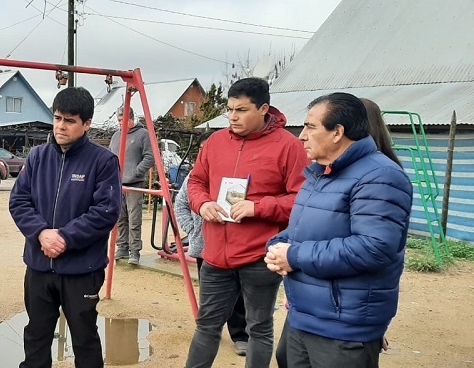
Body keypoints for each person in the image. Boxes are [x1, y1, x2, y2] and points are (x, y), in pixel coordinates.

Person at [264, 92, 412, 368]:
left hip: (343, 327)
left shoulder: (380, 177)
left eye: (310, 127)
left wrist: (293, 256)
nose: (301, 136)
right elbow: (299, 231)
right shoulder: (319, 174)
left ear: (337, 133)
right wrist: (276, 247)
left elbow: (373, 248)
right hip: (304, 316)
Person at [185, 77, 311, 368]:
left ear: (264, 108)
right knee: (206, 325)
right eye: (229, 109)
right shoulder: (215, 142)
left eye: (241, 110)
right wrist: (202, 203)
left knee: (259, 328)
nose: (232, 116)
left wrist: (259, 207)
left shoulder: (289, 147)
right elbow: (196, 182)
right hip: (216, 256)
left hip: (260, 255)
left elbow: (301, 201)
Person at [9, 87, 122, 368]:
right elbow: (19, 202)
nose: (61, 126)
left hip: (82, 269)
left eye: (70, 120)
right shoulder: (37, 157)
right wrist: (41, 234)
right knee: (36, 335)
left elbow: (106, 212)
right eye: (57, 118)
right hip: (38, 265)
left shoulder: (103, 161)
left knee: (84, 338)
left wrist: (65, 238)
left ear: (86, 124)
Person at [174, 130, 249, 356]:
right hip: (205, 246)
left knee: (239, 294)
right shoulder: (195, 177)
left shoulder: (236, 174)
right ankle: (209, 333)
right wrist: (194, 229)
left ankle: (240, 334)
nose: (207, 153)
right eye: (203, 149)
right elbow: (181, 205)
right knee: (210, 293)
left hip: (235, 244)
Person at [108, 106, 155, 265]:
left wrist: (136, 172)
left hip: (135, 184)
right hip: (117, 184)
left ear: (131, 118)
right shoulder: (116, 136)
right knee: (120, 218)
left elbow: (150, 157)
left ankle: (134, 251)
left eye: (122, 120)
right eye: (118, 121)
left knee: (134, 219)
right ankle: (122, 247)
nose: (120, 123)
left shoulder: (143, 135)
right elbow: (110, 156)